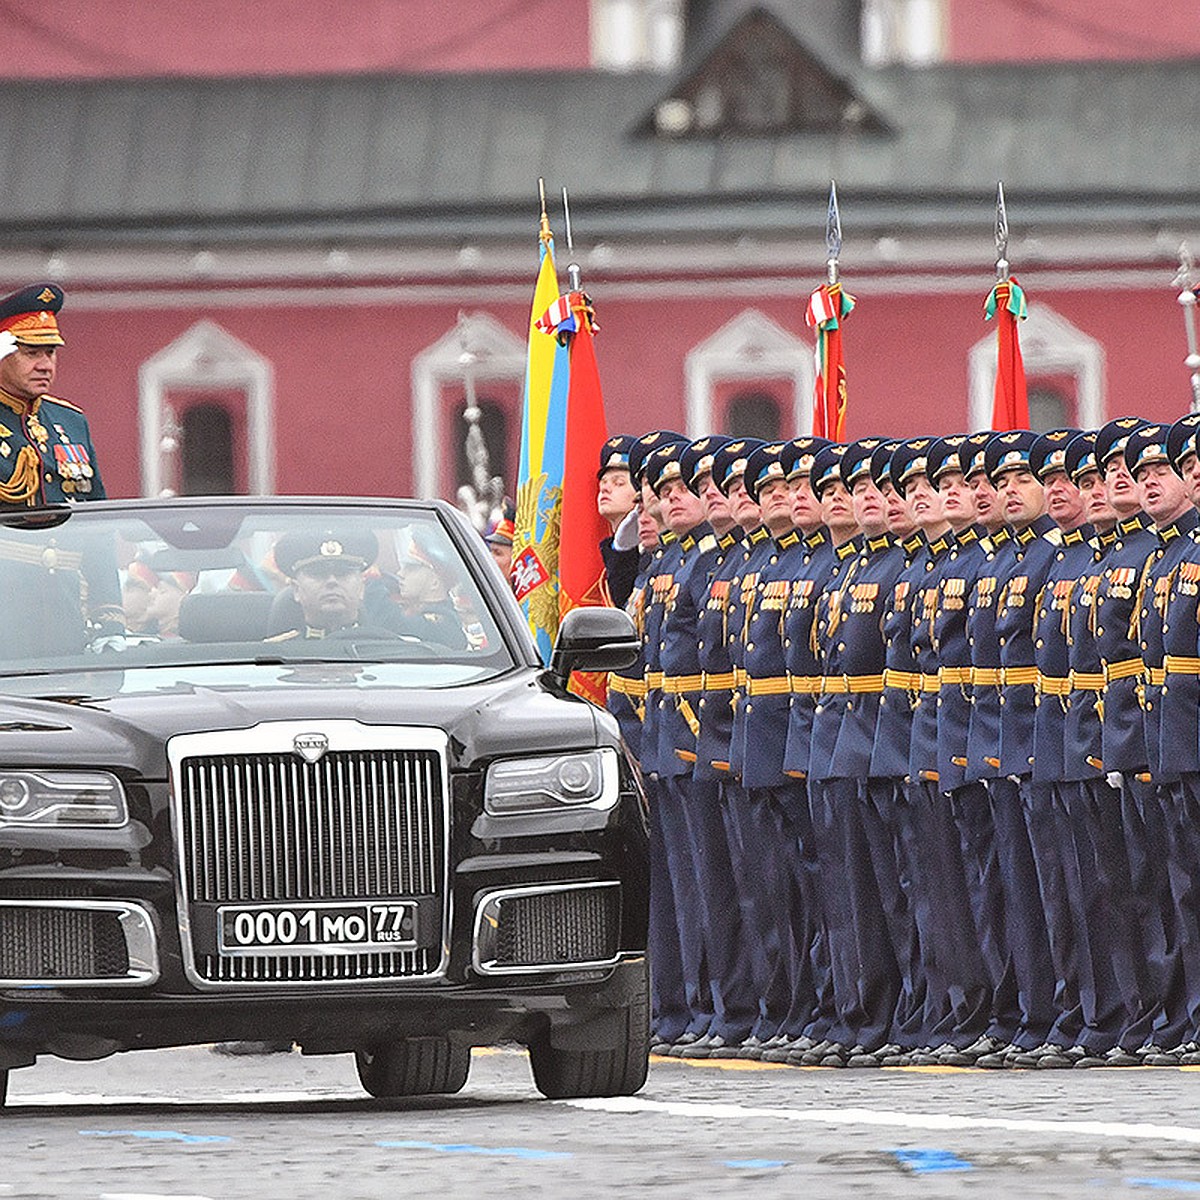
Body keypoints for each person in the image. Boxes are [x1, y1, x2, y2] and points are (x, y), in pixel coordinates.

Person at [0, 283, 106, 506]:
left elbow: (97, 509)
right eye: (31, 353)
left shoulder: (71, 421)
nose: (45, 365)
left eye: (50, 353)